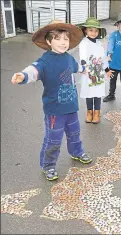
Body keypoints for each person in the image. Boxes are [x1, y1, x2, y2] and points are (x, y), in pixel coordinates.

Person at [11, 20, 92, 181]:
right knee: (53, 140)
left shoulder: (68, 58)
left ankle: (76, 152)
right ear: (49, 41)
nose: (63, 42)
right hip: (55, 111)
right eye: (58, 39)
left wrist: (85, 70)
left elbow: (76, 67)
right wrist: (23, 76)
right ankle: (48, 165)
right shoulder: (45, 61)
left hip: (71, 107)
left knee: (74, 133)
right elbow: (34, 70)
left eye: (66, 39)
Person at [78, 17, 112, 124]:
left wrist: (107, 70)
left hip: (99, 72)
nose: (93, 32)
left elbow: (103, 57)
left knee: (97, 93)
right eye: (91, 30)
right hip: (88, 71)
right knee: (89, 92)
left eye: (96, 30)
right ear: (85, 30)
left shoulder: (99, 43)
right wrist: (83, 65)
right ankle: (89, 113)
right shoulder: (84, 42)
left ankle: (97, 113)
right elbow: (82, 55)